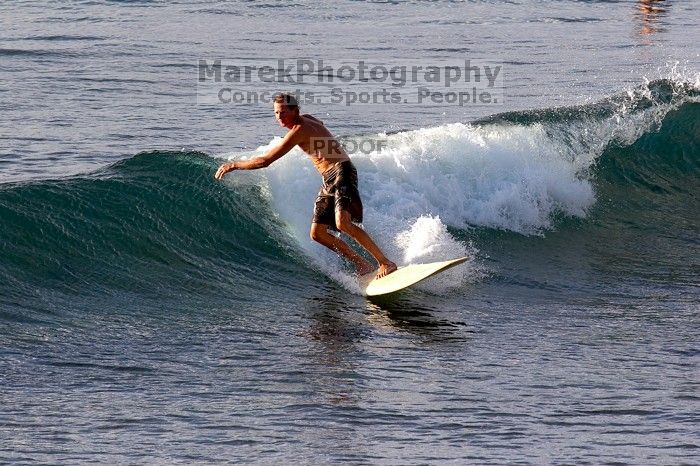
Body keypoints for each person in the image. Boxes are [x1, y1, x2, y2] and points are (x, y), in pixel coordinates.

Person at [215, 93, 397, 279]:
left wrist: (234, 165)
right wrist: (324, 148)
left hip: (341, 171)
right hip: (330, 177)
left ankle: (385, 262)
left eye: (284, 112)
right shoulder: (308, 119)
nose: (279, 117)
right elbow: (320, 126)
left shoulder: (299, 130)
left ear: (295, 110)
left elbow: (265, 161)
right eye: (276, 113)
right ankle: (361, 264)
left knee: (343, 222)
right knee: (317, 234)